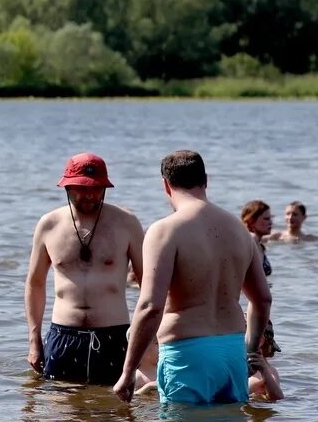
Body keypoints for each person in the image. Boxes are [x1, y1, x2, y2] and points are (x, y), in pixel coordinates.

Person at [113, 150, 272, 407]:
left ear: (166, 185)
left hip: (187, 353)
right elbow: (262, 299)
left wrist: (128, 371)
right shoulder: (239, 231)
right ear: (205, 180)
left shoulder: (165, 231)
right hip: (232, 350)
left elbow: (150, 307)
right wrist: (251, 350)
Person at [24, 152, 145, 385]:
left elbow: (148, 285)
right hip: (64, 335)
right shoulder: (49, 225)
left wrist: (146, 342)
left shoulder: (126, 223)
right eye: (81, 188)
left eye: (96, 188)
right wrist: (34, 340)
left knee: (115, 410)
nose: (89, 195)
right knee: (61, 409)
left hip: (114, 336)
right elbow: (35, 284)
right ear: (67, 187)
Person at [240, 200, 281, 356]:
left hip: (256, 304)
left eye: (271, 218)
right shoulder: (250, 240)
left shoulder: (258, 242)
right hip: (249, 305)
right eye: (265, 219)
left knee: (265, 351)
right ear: (251, 220)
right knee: (259, 352)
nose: (270, 223)